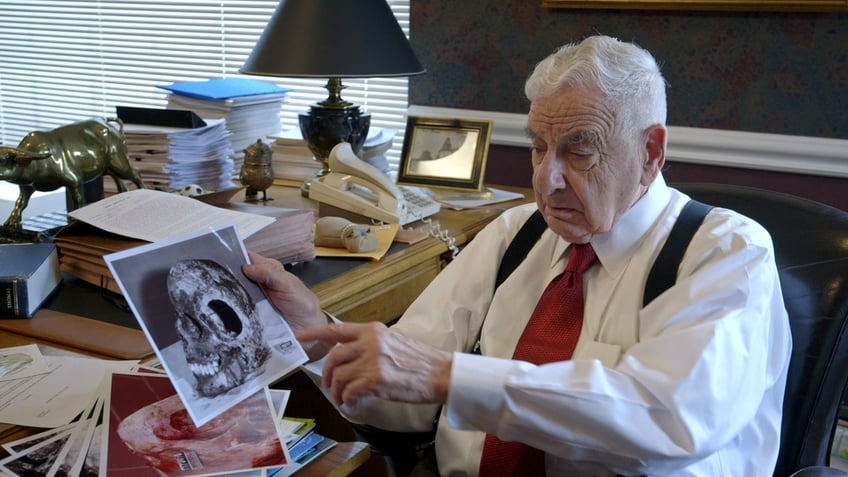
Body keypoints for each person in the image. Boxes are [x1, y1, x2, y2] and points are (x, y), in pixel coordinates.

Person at [242, 35, 792, 476]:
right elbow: (405, 396)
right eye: (537, 146)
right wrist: (313, 332)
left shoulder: (726, 251)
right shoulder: (516, 232)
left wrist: (453, 378)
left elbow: (671, 422)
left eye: (579, 150)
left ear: (650, 152)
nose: (546, 180)